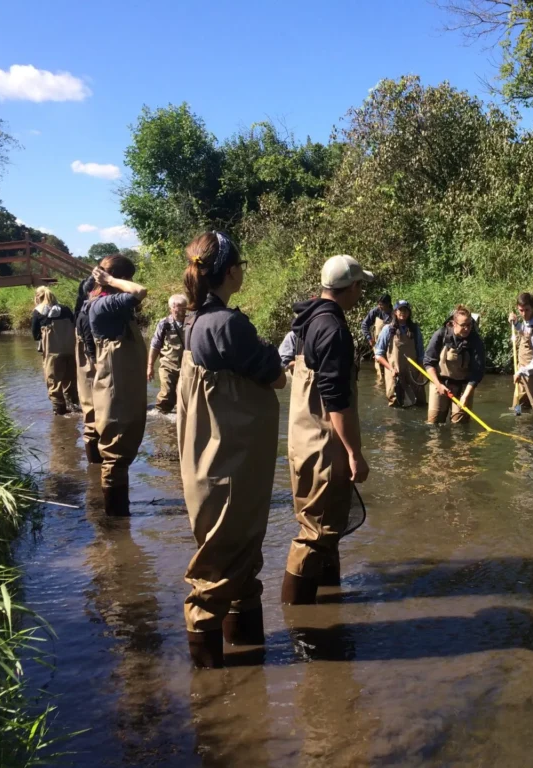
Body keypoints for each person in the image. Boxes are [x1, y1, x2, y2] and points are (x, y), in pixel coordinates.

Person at [177, 231, 286, 668]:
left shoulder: (195, 321)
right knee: (223, 564)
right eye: (241, 265)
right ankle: (209, 682)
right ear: (232, 272)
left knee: (236, 559)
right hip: (231, 465)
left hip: (207, 463)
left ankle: (243, 672)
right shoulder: (228, 324)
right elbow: (275, 377)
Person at [283, 254, 373, 605]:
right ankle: (299, 619)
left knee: (325, 527)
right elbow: (336, 400)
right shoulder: (333, 329)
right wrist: (354, 453)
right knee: (316, 533)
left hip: (303, 439)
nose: (360, 292)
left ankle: (328, 603)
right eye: (359, 286)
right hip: (324, 445)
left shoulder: (309, 319)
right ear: (350, 287)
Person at [88, 254, 148, 515]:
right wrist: (111, 279)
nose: (131, 282)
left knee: (123, 443)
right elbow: (139, 292)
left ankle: (118, 520)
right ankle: (115, 522)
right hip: (115, 382)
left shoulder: (110, 304)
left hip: (125, 381)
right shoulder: (104, 304)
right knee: (115, 447)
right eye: (128, 277)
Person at [423, 305, 486, 425]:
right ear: (454, 324)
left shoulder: (476, 341)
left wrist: (465, 396)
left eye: (469, 325)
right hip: (440, 384)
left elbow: (477, 372)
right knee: (434, 424)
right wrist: (438, 384)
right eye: (463, 325)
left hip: (463, 388)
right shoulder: (440, 335)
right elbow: (428, 362)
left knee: (460, 427)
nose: (467, 329)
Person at [31, 287, 78, 415]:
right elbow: (75, 325)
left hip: (53, 352)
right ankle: (74, 405)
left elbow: (35, 335)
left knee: (53, 380)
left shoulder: (38, 312)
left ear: (37, 298)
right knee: (70, 379)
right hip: (70, 349)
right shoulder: (66, 309)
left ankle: (59, 411)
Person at [374, 299, 426, 407]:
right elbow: (378, 355)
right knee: (395, 404)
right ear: (395, 312)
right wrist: (390, 368)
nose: (403, 312)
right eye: (400, 310)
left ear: (409, 313)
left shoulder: (415, 329)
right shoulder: (387, 330)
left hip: (413, 372)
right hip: (394, 372)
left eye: (406, 310)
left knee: (420, 403)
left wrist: (421, 372)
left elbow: (421, 354)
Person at [74, 276, 100, 464]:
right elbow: (90, 342)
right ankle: (95, 464)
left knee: (91, 410)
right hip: (91, 363)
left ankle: (95, 464)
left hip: (88, 363)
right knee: (92, 412)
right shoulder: (86, 312)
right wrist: (97, 363)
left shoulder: (82, 308)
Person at [147, 294, 187, 414]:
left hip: (186, 366)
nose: (182, 312)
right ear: (171, 308)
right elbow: (155, 346)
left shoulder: (192, 322)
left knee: (185, 396)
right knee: (166, 394)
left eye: (184, 308)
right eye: (179, 308)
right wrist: (150, 366)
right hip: (168, 366)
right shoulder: (164, 324)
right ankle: (161, 419)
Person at [360, 293, 392, 380]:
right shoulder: (375, 312)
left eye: (381, 304)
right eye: (378, 304)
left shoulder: (395, 313)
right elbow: (364, 325)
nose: (379, 306)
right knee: (380, 369)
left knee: (391, 366)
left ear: (388, 304)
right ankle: (380, 386)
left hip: (391, 345)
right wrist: (369, 338)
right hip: (378, 344)